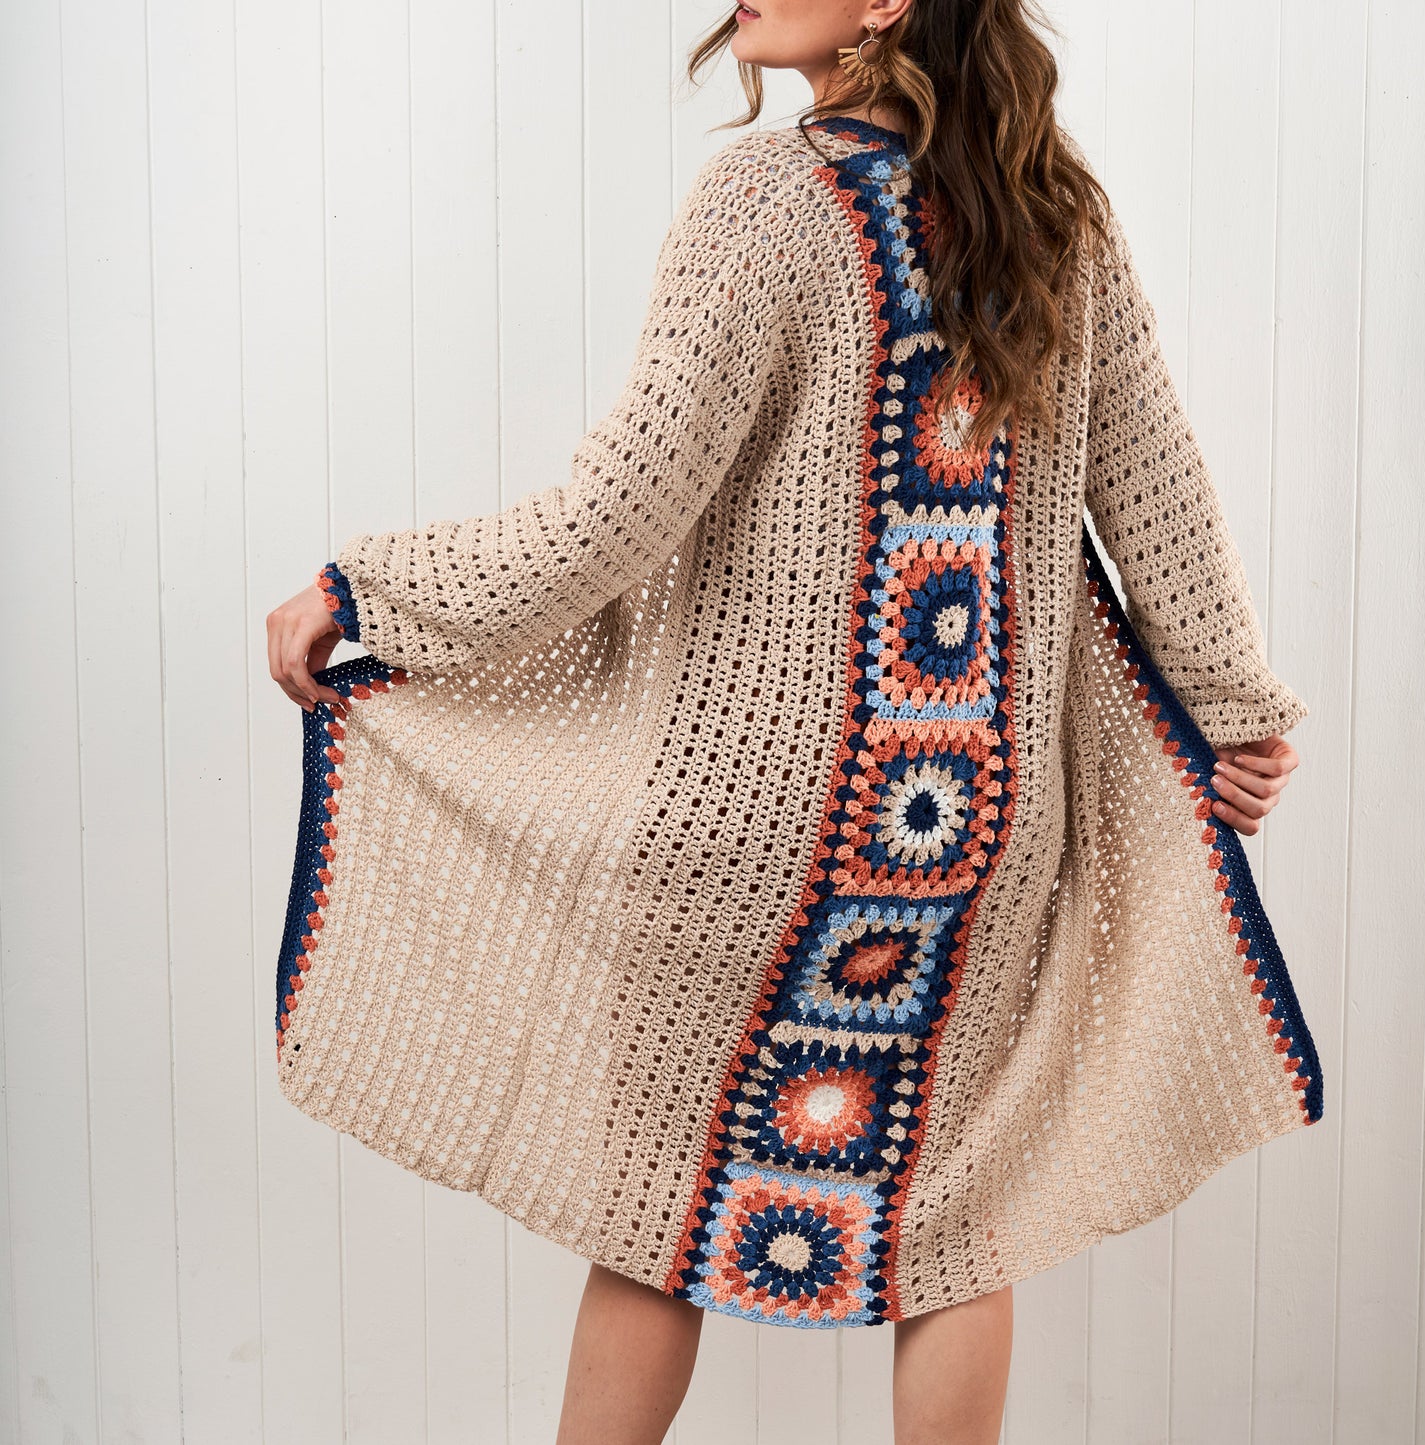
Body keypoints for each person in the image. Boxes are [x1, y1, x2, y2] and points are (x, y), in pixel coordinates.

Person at [265, 3, 1320, 1442]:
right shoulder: (1052, 210)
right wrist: (1234, 706)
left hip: (756, 815)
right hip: (976, 813)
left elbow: (618, 512)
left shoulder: (771, 199)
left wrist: (370, 585)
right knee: (954, 1221)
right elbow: (1157, 487)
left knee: (659, 1203)